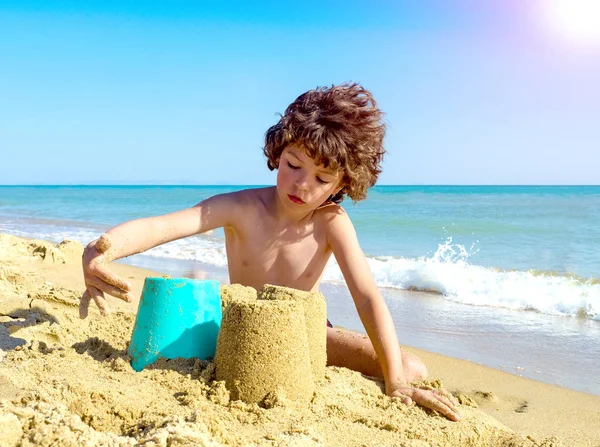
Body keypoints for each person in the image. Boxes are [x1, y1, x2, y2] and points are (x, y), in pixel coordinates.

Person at [80, 83, 460, 421]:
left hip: (305, 333)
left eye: (321, 178)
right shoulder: (241, 207)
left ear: (343, 182)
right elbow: (163, 226)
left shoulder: (331, 223)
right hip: (240, 324)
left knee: (413, 368)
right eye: (293, 164)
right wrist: (103, 249)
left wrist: (394, 381)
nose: (302, 184)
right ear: (279, 151)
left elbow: (366, 296)